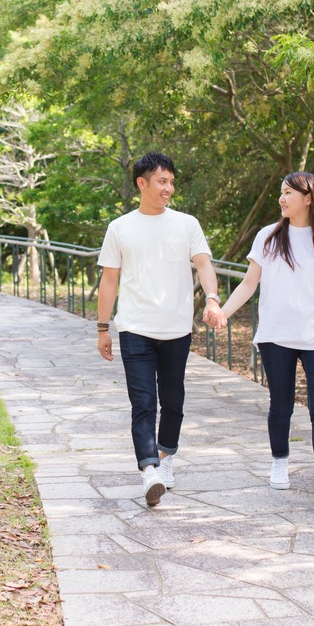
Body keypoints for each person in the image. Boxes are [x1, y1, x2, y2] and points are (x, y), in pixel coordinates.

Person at [207, 171, 314, 507]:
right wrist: (223, 312)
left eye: (289, 192)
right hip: (276, 335)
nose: (282, 198)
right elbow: (249, 284)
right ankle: (280, 462)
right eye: (281, 191)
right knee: (282, 403)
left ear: (309, 198)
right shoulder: (268, 237)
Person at [96, 152, 220, 506]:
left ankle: (166, 456)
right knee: (143, 403)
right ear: (142, 183)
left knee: (174, 401)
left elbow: (204, 265)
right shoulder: (120, 228)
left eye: (171, 182)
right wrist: (103, 328)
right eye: (162, 181)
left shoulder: (186, 224)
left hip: (177, 330)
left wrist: (212, 298)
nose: (168, 188)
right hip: (134, 329)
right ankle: (149, 469)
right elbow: (109, 281)